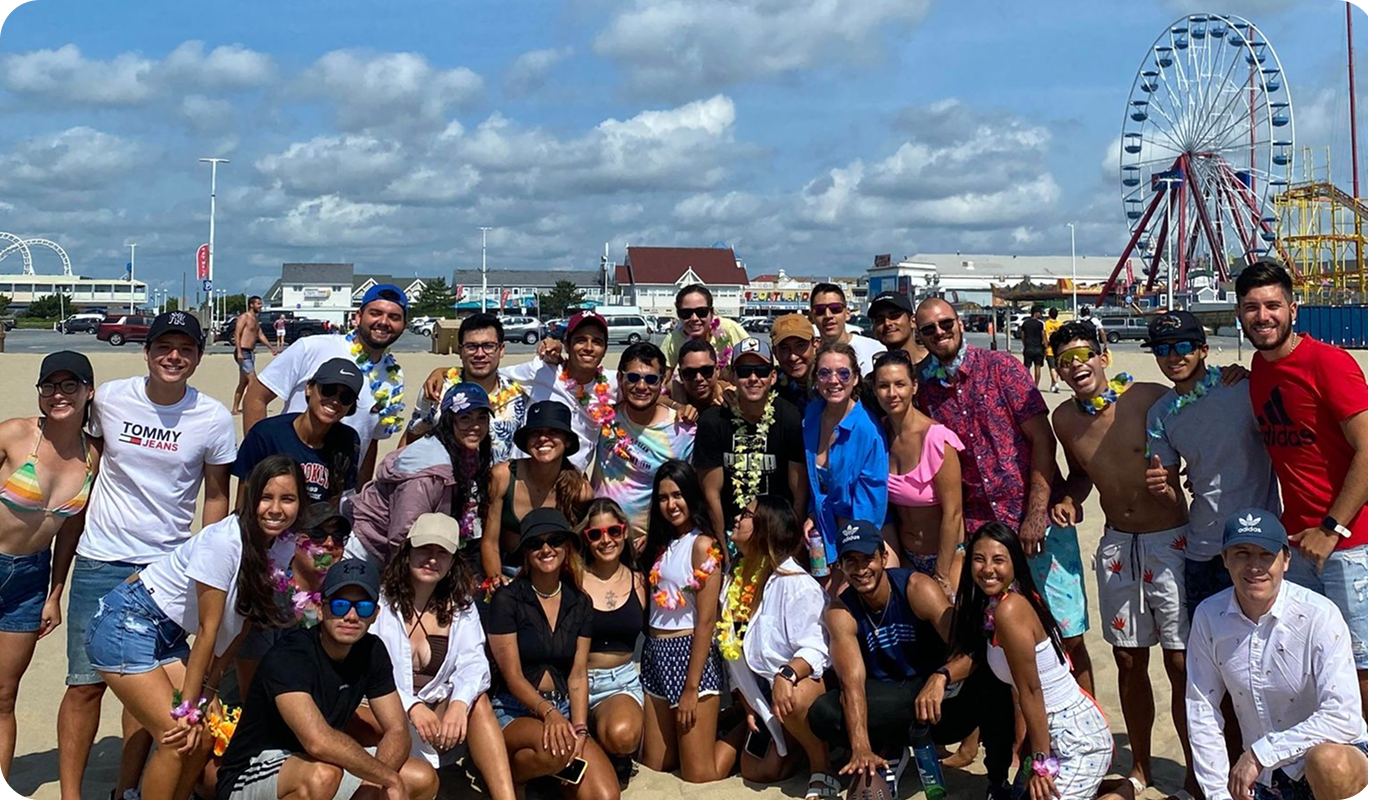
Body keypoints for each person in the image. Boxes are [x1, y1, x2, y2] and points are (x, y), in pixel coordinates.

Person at [59, 311, 238, 800]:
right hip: (102, 556)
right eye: (164, 347)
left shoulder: (213, 417)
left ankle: (124, 789)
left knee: (147, 687)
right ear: (147, 351)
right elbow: (85, 460)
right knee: (85, 684)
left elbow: (216, 496)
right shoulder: (111, 398)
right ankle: (71, 794)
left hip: (166, 568)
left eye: (185, 349)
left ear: (199, 357)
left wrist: (208, 564)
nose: (173, 357)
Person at [85, 456, 305, 800]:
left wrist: (211, 687)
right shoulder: (224, 542)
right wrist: (189, 708)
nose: (275, 509)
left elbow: (244, 622)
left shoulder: (280, 544)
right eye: (266, 497)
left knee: (202, 737)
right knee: (178, 735)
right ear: (249, 497)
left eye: (287, 499)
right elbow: (208, 629)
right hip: (126, 623)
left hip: (169, 634)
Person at [913, 297, 1093, 695]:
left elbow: (1042, 440)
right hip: (984, 531)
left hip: (1039, 520)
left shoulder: (1002, 367)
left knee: (1069, 635)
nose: (940, 333)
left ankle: (1088, 719)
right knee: (1006, 640)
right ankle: (1024, 730)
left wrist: (1035, 514)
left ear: (959, 324)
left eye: (946, 324)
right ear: (920, 335)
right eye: (929, 329)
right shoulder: (925, 390)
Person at [1048, 321, 1192, 797]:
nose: (1076, 366)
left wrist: (1182, 478)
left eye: (1083, 355)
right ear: (1057, 370)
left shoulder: (1147, 396)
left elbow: (1198, 408)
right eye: (1065, 361)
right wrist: (1069, 498)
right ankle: (1143, 767)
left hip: (1169, 541)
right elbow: (1080, 474)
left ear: (1102, 356)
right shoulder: (1064, 420)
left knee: (1180, 662)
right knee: (1128, 660)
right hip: (1116, 545)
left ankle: (1194, 767)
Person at [1235, 260, 1369, 717]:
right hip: (1295, 543)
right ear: (1239, 314)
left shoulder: (1329, 363)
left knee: (1360, 665)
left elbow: (1367, 449)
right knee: (1309, 663)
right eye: (1252, 307)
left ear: (1293, 309)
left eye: (1273, 305)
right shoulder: (1258, 368)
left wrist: (1332, 528)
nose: (1263, 316)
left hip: (1350, 543)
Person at [809, 521, 1014, 800]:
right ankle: (886, 749)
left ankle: (999, 781)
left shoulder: (916, 587)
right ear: (841, 567)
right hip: (889, 699)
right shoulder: (841, 611)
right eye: (851, 561)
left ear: (883, 557)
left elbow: (972, 648)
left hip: (935, 701)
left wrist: (942, 676)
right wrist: (861, 748)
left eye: (867, 558)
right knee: (823, 712)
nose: (861, 569)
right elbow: (851, 684)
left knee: (993, 676)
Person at [216, 558, 440, 800]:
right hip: (254, 771)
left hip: (318, 765)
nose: (351, 616)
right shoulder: (291, 656)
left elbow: (397, 730)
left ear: (375, 614)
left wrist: (370, 786)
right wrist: (387, 778)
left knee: (421, 777)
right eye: (340, 605)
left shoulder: (372, 651)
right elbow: (317, 741)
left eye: (363, 607)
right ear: (321, 609)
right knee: (323, 775)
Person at [1186, 509, 1368, 800]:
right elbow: (1202, 709)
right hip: (1266, 778)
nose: (1254, 567)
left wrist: (1261, 753)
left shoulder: (1319, 615)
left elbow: (1343, 716)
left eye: (1266, 555)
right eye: (1242, 554)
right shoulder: (1209, 616)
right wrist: (1217, 794)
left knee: (1329, 763)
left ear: (1286, 560)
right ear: (1225, 559)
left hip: (1320, 759)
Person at [952, 523, 1123, 800]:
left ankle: (1122, 793)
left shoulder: (1009, 609)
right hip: (1048, 732)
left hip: (1074, 736)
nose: (987, 569)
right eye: (979, 559)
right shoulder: (995, 604)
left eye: (998, 560)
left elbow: (1031, 691)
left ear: (1015, 563)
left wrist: (1041, 765)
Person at [1141, 310, 1280, 620]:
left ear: (1203, 349)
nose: (1173, 357)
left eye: (1183, 346)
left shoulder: (1243, 388)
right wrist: (1161, 490)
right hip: (1202, 549)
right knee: (1207, 642)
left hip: (1257, 542)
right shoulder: (1160, 414)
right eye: (1162, 349)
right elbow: (1173, 497)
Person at [370, 514, 516, 799]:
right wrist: (411, 705)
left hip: (436, 712)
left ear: (452, 563)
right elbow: (369, 669)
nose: (432, 559)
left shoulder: (461, 607)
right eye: (425, 549)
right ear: (408, 552)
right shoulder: (381, 603)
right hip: (385, 710)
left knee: (478, 701)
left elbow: (474, 662)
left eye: (442, 553)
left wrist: (459, 703)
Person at [0, 352, 97, 779]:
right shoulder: (15, 434)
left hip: (29, 581)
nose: (59, 394)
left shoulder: (93, 455)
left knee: (4, 696)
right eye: (50, 386)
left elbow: (71, 531)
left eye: (70, 385)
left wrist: (55, 594)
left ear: (89, 391)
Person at [487, 508, 621, 799]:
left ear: (567, 546)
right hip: (513, 708)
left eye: (555, 540)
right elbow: (512, 676)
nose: (546, 549)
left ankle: (545, 774)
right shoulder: (507, 600)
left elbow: (578, 674)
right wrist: (548, 713)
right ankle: (513, 775)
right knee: (558, 751)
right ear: (525, 552)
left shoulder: (580, 602)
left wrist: (580, 728)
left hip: (562, 706)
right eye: (535, 543)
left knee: (605, 795)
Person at [718, 496, 834, 794]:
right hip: (763, 692)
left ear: (765, 526)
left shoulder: (795, 582)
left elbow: (817, 648)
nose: (737, 518)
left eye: (745, 514)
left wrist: (787, 674)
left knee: (793, 697)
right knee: (757, 771)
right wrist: (748, 703)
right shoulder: (735, 579)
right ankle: (796, 741)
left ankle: (821, 766)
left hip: (801, 683)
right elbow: (734, 654)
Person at [247, 283, 408, 484]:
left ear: (404, 325)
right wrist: (260, 467)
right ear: (358, 317)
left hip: (339, 490)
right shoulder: (312, 347)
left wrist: (360, 493)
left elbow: (369, 441)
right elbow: (256, 397)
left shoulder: (394, 378)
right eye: (375, 313)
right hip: (287, 481)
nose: (383, 322)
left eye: (394, 317)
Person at [639, 461, 734, 783]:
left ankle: (745, 732)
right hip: (655, 653)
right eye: (663, 498)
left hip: (688, 654)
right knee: (656, 763)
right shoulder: (661, 544)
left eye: (677, 495)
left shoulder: (703, 545)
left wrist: (691, 687)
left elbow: (706, 622)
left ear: (691, 495)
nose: (671, 505)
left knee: (699, 774)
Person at [351, 383, 493, 567]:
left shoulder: (468, 457)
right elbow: (403, 537)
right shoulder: (428, 472)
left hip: (408, 552)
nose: (475, 426)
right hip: (368, 549)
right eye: (465, 418)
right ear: (448, 421)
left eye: (482, 418)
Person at [694, 337, 807, 551]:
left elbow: (799, 494)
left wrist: (792, 545)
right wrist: (724, 549)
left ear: (773, 376)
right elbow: (711, 495)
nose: (753, 378)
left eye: (761, 371)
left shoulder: (789, 416)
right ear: (732, 376)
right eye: (744, 371)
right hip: (731, 533)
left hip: (777, 535)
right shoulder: (713, 420)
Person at [234, 502, 352, 697]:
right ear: (293, 540)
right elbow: (252, 685)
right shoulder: (268, 598)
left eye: (339, 537)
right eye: (317, 534)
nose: (330, 544)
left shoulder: (343, 601)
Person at [873, 350, 964, 594]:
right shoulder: (878, 433)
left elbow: (954, 513)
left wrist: (941, 575)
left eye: (900, 384)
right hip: (905, 557)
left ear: (914, 386)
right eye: (883, 386)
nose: (892, 393)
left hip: (947, 558)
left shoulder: (937, 439)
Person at [483, 401, 594, 588]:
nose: (543, 438)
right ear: (526, 441)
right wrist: (496, 583)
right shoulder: (502, 476)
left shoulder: (580, 491)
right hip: (507, 569)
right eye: (535, 433)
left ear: (567, 441)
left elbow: (577, 550)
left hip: (555, 576)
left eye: (553, 432)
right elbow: (490, 542)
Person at [591, 343, 695, 541]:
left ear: (662, 382)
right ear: (620, 378)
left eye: (651, 379)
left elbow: (689, 494)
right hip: (601, 537)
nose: (641, 386)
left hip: (651, 542)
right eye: (632, 377)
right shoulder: (604, 413)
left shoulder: (683, 430)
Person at [576, 499, 647, 784]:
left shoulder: (639, 581)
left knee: (622, 735)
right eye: (596, 534)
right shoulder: (573, 579)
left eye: (614, 531)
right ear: (586, 538)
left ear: (625, 531)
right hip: (574, 682)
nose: (606, 540)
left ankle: (610, 748)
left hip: (620, 683)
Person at [803, 342, 888, 574]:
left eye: (843, 373)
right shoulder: (811, 415)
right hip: (822, 529)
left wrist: (852, 551)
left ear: (856, 378)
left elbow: (870, 504)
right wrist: (813, 514)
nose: (833, 380)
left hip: (856, 538)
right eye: (824, 373)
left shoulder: (867, 430)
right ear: (816, 379)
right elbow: (815, 483)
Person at [233, 358, 362, 506]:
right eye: (328, 390)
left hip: (318, 520)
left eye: (346, 398)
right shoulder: (266, 435)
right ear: (309, 388)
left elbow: (336, 501)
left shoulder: (348, 440)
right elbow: (244, 502)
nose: (335, 400)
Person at [406, 313, 529, 463]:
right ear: (460, 350)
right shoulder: (438, 389)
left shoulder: (518, 396)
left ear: (501, 349)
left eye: (488, 346)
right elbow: (412, 436)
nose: (480, 354)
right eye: (471, 347)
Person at [662, 284, 748, 372]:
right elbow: (664, 377)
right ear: (678, 315)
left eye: (701, 312)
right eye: (686, 313)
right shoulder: (673, 340)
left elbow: (753, 363)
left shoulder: (729, 329)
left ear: (711, 312)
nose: (694, 318)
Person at [808, 283, 884, 376]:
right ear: (811, 316)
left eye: (835, 308)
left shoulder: (875, 350)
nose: (828, 315)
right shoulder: (808, 359)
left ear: (847, 313)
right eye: (820, 310)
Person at [232, 295, 278, 416]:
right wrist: (239, 351)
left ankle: (235, 408)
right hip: (243, 351)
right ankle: (250, 406)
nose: (261, 306)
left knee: (243, 382)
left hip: (251, 353)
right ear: (251, 305)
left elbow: (260, 335)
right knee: (253, 380)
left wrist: (271, 347)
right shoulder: (244, 317)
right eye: (258, 304)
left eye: (261, 304)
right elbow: (237, 334)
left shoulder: (256, 319)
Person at [867, 291, 929, 366]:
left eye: (894, 316)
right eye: (880, 320)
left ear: (913, 321)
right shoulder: (878, 372)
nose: (887, 323)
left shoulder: (937, 361)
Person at [772, 313, 817, 414]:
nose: (793, 357)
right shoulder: (771, 386)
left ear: (815, 345)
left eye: (800, 346)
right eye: (784, 348)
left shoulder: (831, 382)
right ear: (775, 352)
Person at [667, 338, 723, 417]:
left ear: (717, 370)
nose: (698, 378)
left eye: (706, 370)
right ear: (681, 375)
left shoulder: (730, 395)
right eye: (689, 372)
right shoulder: (677, 395)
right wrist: (677, 406)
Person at [1020, 306, 1047, 389]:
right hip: (1038, 348)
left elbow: (1022, 336)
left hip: (1028, 347)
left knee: (1026, 368)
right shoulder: (1040, 324)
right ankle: (1036, 385)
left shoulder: (1025, 323)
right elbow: (1043, 337)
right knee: (1037, 366)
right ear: (1036, 313)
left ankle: (1027, 383)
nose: (1041, 315)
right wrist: (1045, 348)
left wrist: (1025, 345)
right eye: (1040, 313)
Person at [1044, 308, 1065, 394]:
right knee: (1056, 367)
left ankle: (1055, 383)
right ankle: (1053, 385)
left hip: (1050, 348)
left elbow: (1045, 336)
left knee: (1052, 367)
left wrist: (1045, 347)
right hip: (1059, 349)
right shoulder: (1060, 324)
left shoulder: (1047, 323)